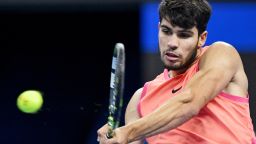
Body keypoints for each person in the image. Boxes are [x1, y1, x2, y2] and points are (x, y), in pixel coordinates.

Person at [97, 0, 256, 143]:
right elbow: (127, 138)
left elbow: (190, 101)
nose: (172, 43)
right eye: (166, 31)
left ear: (202, 38)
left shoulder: (222, 54)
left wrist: (127, 132)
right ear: (158, 29)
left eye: (184, 35)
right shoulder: (140, 100)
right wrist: (115, 139)